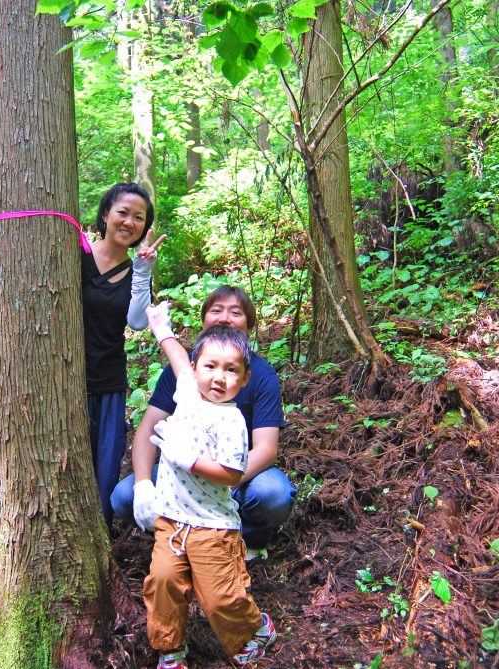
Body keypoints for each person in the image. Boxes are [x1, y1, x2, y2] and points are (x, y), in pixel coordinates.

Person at [111, 285, 296, 561]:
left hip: (234, 474)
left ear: (249, 325)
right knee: (124, 495)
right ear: (204, 321)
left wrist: (215, 481)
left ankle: (247, 540)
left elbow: (266, 449)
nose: (224, 318)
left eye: (235, 312)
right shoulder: (185, 373)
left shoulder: (260, 375)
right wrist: (143, 486)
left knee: (272, 493)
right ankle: (178, 536)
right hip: (182, 469)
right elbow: (148, 428)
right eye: (216, 310)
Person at [143, 302, 277, 668]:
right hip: (170, 520)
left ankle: (254, 629)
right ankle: (170, 650)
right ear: (195, 368)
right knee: (163, 583)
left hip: (213, 526)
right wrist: (161, 327)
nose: (219, 378)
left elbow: (232, 474)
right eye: (210, 367)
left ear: (245, 378)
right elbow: (175, 357)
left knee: (220, 597)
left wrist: (187, 458)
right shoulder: (187, 391)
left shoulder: (232, 420)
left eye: (231, 370)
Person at [83, 182, 165, 527]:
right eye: (122, 213)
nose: (129, 222)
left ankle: (98, 531)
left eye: (138, 218)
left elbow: (135, 321)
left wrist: (143, 271)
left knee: (104, 461)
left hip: (107, 379)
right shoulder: (77, 254)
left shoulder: (134, 272)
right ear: (106, 214)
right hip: (65, 376)